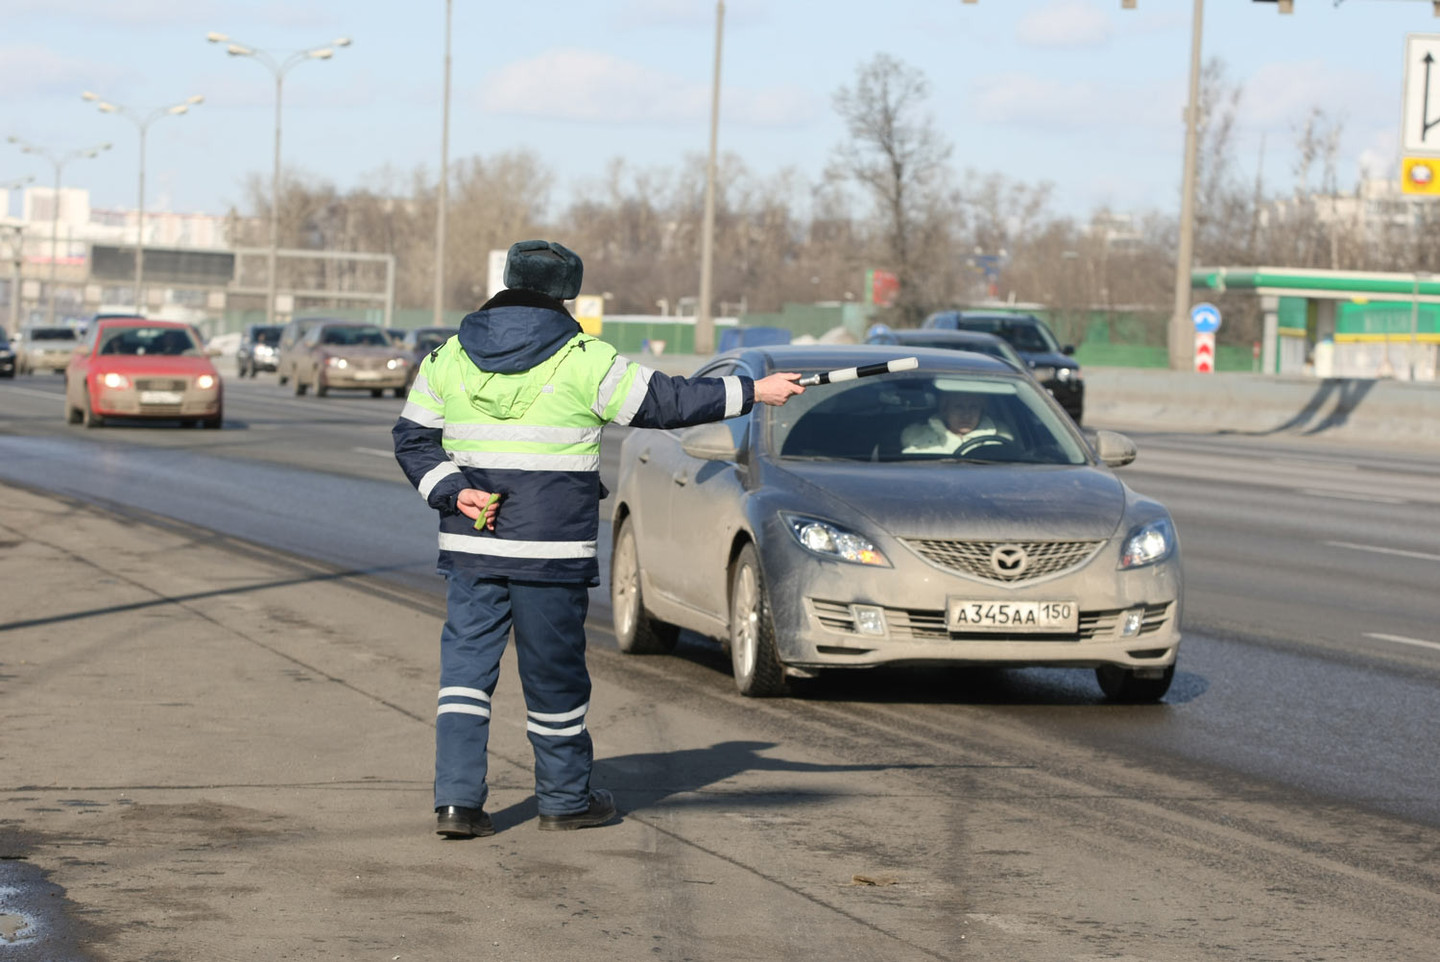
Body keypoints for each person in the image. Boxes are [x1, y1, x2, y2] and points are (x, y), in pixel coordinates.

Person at [392, 240, 804, 839]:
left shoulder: (448, 356)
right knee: (554, 678)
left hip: (473, 546)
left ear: (506, 282)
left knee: (463, 678)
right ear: (567, 297)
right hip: (552, 551)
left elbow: (411, 440)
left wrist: (453, 492)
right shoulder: (584, 358)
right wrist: (753, 392)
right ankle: (562, 802)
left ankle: (456, 805)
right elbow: (665, 402)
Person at [900, 386, 1004, 454]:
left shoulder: (998, 440)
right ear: (945, 410)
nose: (967, 415)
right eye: (959, 407)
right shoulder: (920, 437)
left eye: (974, 407)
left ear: (981, 412)